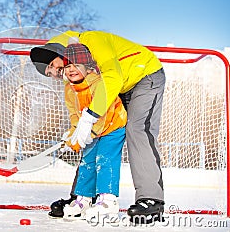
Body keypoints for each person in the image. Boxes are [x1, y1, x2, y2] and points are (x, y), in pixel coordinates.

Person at [30, 30, 166, 223]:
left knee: (137, 130)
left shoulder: (93, 41)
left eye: (53, 65)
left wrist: (90, 116)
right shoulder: (74, 73)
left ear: (60, 53)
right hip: (118, 86)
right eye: (50, 73)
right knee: (92, 141)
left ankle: (152, 200)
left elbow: (112, 77)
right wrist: (75, 133)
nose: (55, 73)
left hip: (143, 76)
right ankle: (82, 197)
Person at [60, 43, 127, 221]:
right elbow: (74, 114)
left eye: (76, 65)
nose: (71, 70)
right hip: (92, 130)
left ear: (88, 68)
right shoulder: (69, 89)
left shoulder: (99, 83)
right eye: (67, 66)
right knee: (87, 162)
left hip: (113, 126)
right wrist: (74, 135)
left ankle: (108, 200)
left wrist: (90, 133)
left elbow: (105, 113)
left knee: (104, 159)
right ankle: (83, 200)